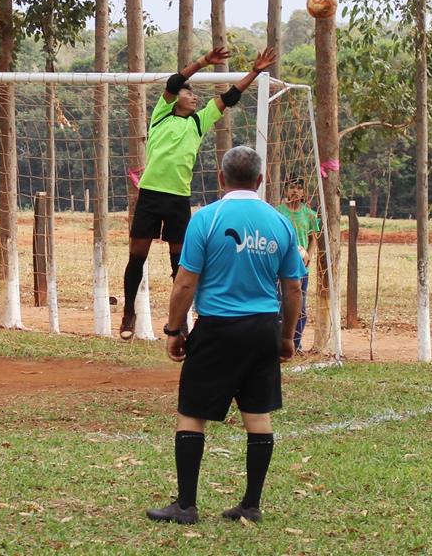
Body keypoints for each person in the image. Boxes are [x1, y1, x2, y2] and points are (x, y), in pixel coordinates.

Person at [146, 146, 305, 525]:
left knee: (192, 414)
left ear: (221, 178)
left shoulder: (207, 219)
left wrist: (174, 330)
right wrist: (287, 337)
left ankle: (185, 506)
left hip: (217, 329)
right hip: (263, 328)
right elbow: (294, 288)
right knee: (258, 415)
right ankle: (251, 505)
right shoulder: (280, 222)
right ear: (261, 180)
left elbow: (185, 282)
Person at [119, 47, 278, 340]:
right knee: (137, 257)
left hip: (178, 199)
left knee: (179, 264)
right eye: (188, 93)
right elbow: (173, 82)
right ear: (176, 97)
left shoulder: (198, 122)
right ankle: (129, 311)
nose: (193, 97)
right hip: (151, 196)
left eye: (195, 95)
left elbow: (230, 97)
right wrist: (205, 61)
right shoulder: (162, 115)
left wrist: (254, 71)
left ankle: (178, 324)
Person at [276, 178, 319, 354]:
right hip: (280, 267)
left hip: (300, 267)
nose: (295, 191)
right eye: (292, 187)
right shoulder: (278, 212)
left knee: (299, 306)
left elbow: (313, 240)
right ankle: (277, 342)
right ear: (286, 190)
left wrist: (308, 255)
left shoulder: (309, 214)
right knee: (278, 304)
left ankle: (296, 343)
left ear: (303, 193)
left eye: (299, 188)